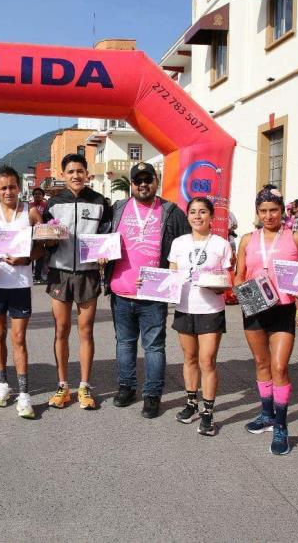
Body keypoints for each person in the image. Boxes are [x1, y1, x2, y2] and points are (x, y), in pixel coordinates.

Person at [234, 184, 298, 455]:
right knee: (261, 362)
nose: (268, 215)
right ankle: (266, 413)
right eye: (263, 210)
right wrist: (240, 287)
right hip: (255, 305)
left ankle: (281, 426)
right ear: (257, 212)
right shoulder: (247, 239)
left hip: (282, 308)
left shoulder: (297, 238)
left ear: (283, 211)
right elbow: (239, 273)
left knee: (279, 367)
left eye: (274, 210)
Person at [105, 162, 190, 419]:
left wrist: (174, 279)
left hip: (154, 295)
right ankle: (126, 387)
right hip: (121, 292)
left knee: (154, 346)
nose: (143, 184)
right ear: (131, 184)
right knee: (125, 343)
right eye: (137, 180)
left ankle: (152, 395)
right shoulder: (118, 208)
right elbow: (103, 240)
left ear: (156, 181)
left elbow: (185, 247)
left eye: (148, 179)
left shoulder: (171, 211)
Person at [43, 153, 112, 410]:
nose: (75, 176)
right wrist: (48, 241)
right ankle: (63, 386)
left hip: (88, 273)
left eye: (80, 171)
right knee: (61, 329)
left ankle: (84, 386)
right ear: (63, 175)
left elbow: (107, 235)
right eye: (70, 172)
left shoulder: (99, 202)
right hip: (59, 272)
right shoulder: (53, 203)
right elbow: (44, 240)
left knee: (86, 331)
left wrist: (106, 254)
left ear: (87, 173)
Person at [0, 166, 42, 419]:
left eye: (12, 186)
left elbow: (44, 247)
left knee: (18, 337)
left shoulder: (31, 213)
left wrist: (25, 258)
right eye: (3, 187)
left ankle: (24, 393)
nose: (8, 191)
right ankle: (2, 384)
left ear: (19, 187)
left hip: (19, 284)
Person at [168, 197, 231, 434]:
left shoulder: (221, 244)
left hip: (210, 309)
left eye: (203, 212)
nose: (197, 216)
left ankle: (208, 413)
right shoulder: (179, 243)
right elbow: (172, 276)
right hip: (184, 308)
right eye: (193, 212)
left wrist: (218, 286)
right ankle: (191, 403)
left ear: (211, 216)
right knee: (190, 359)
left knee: (207, 361)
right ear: (187, 216)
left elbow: (226, 279)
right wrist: (152, 284)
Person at [30, 187, 49, 284]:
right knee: (29, 254)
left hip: (43, 233)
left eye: (39, 194)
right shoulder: (29, 206)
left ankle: (38, 276)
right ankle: (30, 274)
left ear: (43, 195)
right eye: (35, 194)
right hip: (30, 233)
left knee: (40, 255)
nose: (37, 195)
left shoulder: (46, 206)